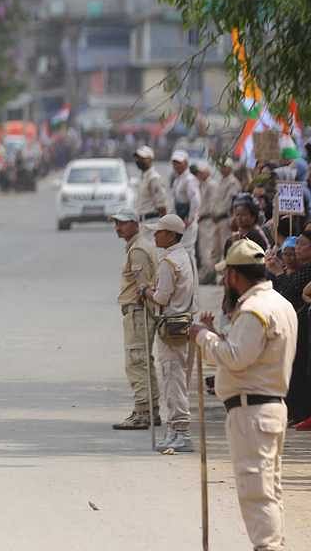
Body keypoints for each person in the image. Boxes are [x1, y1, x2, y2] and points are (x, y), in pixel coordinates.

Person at [191, 238, 298, 550]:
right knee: (269, 487)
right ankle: (272, 544)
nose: (225, 280)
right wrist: (220, 336)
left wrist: (204, 338)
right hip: (270, 407)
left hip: (253, 412)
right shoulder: (280, 304)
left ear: (235, 276)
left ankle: (267, 547)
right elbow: (254, 352)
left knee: (256, 489)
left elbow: (237, 357)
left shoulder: (254, 310)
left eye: (227, 274)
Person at [141, 213, 196, 452]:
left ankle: (181, 432)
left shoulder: (168, 262)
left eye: (159, 231)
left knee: (173, 379)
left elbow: (162, 297)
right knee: (176, 378)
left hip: (170, 325)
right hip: (182, 322)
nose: (155, 235)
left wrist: (145, 291)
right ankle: (174, 430)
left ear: (171, 235)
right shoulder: (183, 256)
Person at [110, 211, 159, 430]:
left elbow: (143, 286)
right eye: (116, 223)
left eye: (121, 223)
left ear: (134, 224)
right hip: (140, 311)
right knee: (143, 360)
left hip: (139, 311)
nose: (117, 228)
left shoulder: (138, 249)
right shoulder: (137, 245)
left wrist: (143, 309)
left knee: (136, 360)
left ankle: (142, 412)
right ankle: (152, 409)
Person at [266, 230, 311, 431]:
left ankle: (301, 411)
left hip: (303, 326)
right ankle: (294, 411)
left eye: (302, 245)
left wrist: (278, 274)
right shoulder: (300, 270)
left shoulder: (307, 271)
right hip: (295, 325)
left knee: (301, 370)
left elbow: (290, 293)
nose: (298, 249)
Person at [170, 150, 201, 277]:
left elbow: (195, 200)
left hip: (187, 221)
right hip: (179, 220)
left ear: (186, 163)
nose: (176, 166)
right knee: (180, 252)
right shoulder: (178, 180)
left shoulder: (189, 180)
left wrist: (190, 218)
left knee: (188, 252)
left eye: (179, 163)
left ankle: (192, 281)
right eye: (174, 163)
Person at [213, 158, 243, 274]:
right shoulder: (221, 181)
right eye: (221, 167)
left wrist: (221, 213)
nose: (222, 169)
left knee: (226, 247)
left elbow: (230, 202)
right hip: (217, 219)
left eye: (224, 167)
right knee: (216, 248)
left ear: (230, 168)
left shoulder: (233, 182)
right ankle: (217, 273)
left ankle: (225, 274)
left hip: (226, 218)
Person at [194, 161, 217, 283]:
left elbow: (211, 205)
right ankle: (207, 274)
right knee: (203, 249)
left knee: (207, 249)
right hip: (201, 220)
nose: (198, 175)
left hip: (207, 220)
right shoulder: (201, 185)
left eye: (200, 172)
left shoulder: (211, 185)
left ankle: (209, 274)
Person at [134, 145, 170, 223]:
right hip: (142, 221)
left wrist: (164, 227)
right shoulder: (143, 177)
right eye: (137, 158)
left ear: (150, 159)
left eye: (142, 158)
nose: (139, 160)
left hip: (151, 221)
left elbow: (162, 205)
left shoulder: (154, 178)